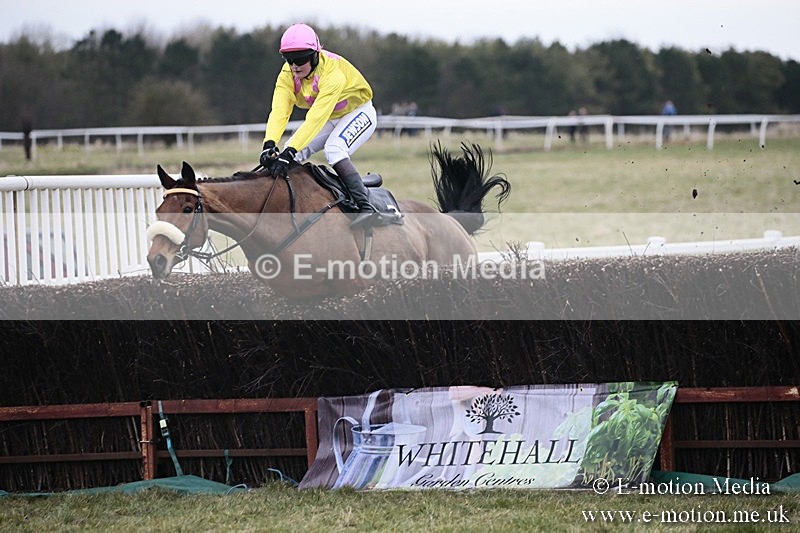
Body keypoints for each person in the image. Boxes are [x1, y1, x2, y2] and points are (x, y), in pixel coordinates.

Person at [260, 23, 378, 229]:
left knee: (334, 149)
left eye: (300, 59)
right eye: (289, 60)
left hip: (359, 112)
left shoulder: (332, 73)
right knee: (291, 154)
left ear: (315, 55)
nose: (294, 66)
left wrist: (289, 151)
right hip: (330, 116)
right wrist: (269, 143)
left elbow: (315, 118)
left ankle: (366, 206)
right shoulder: (287, 74)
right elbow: (279, 111)